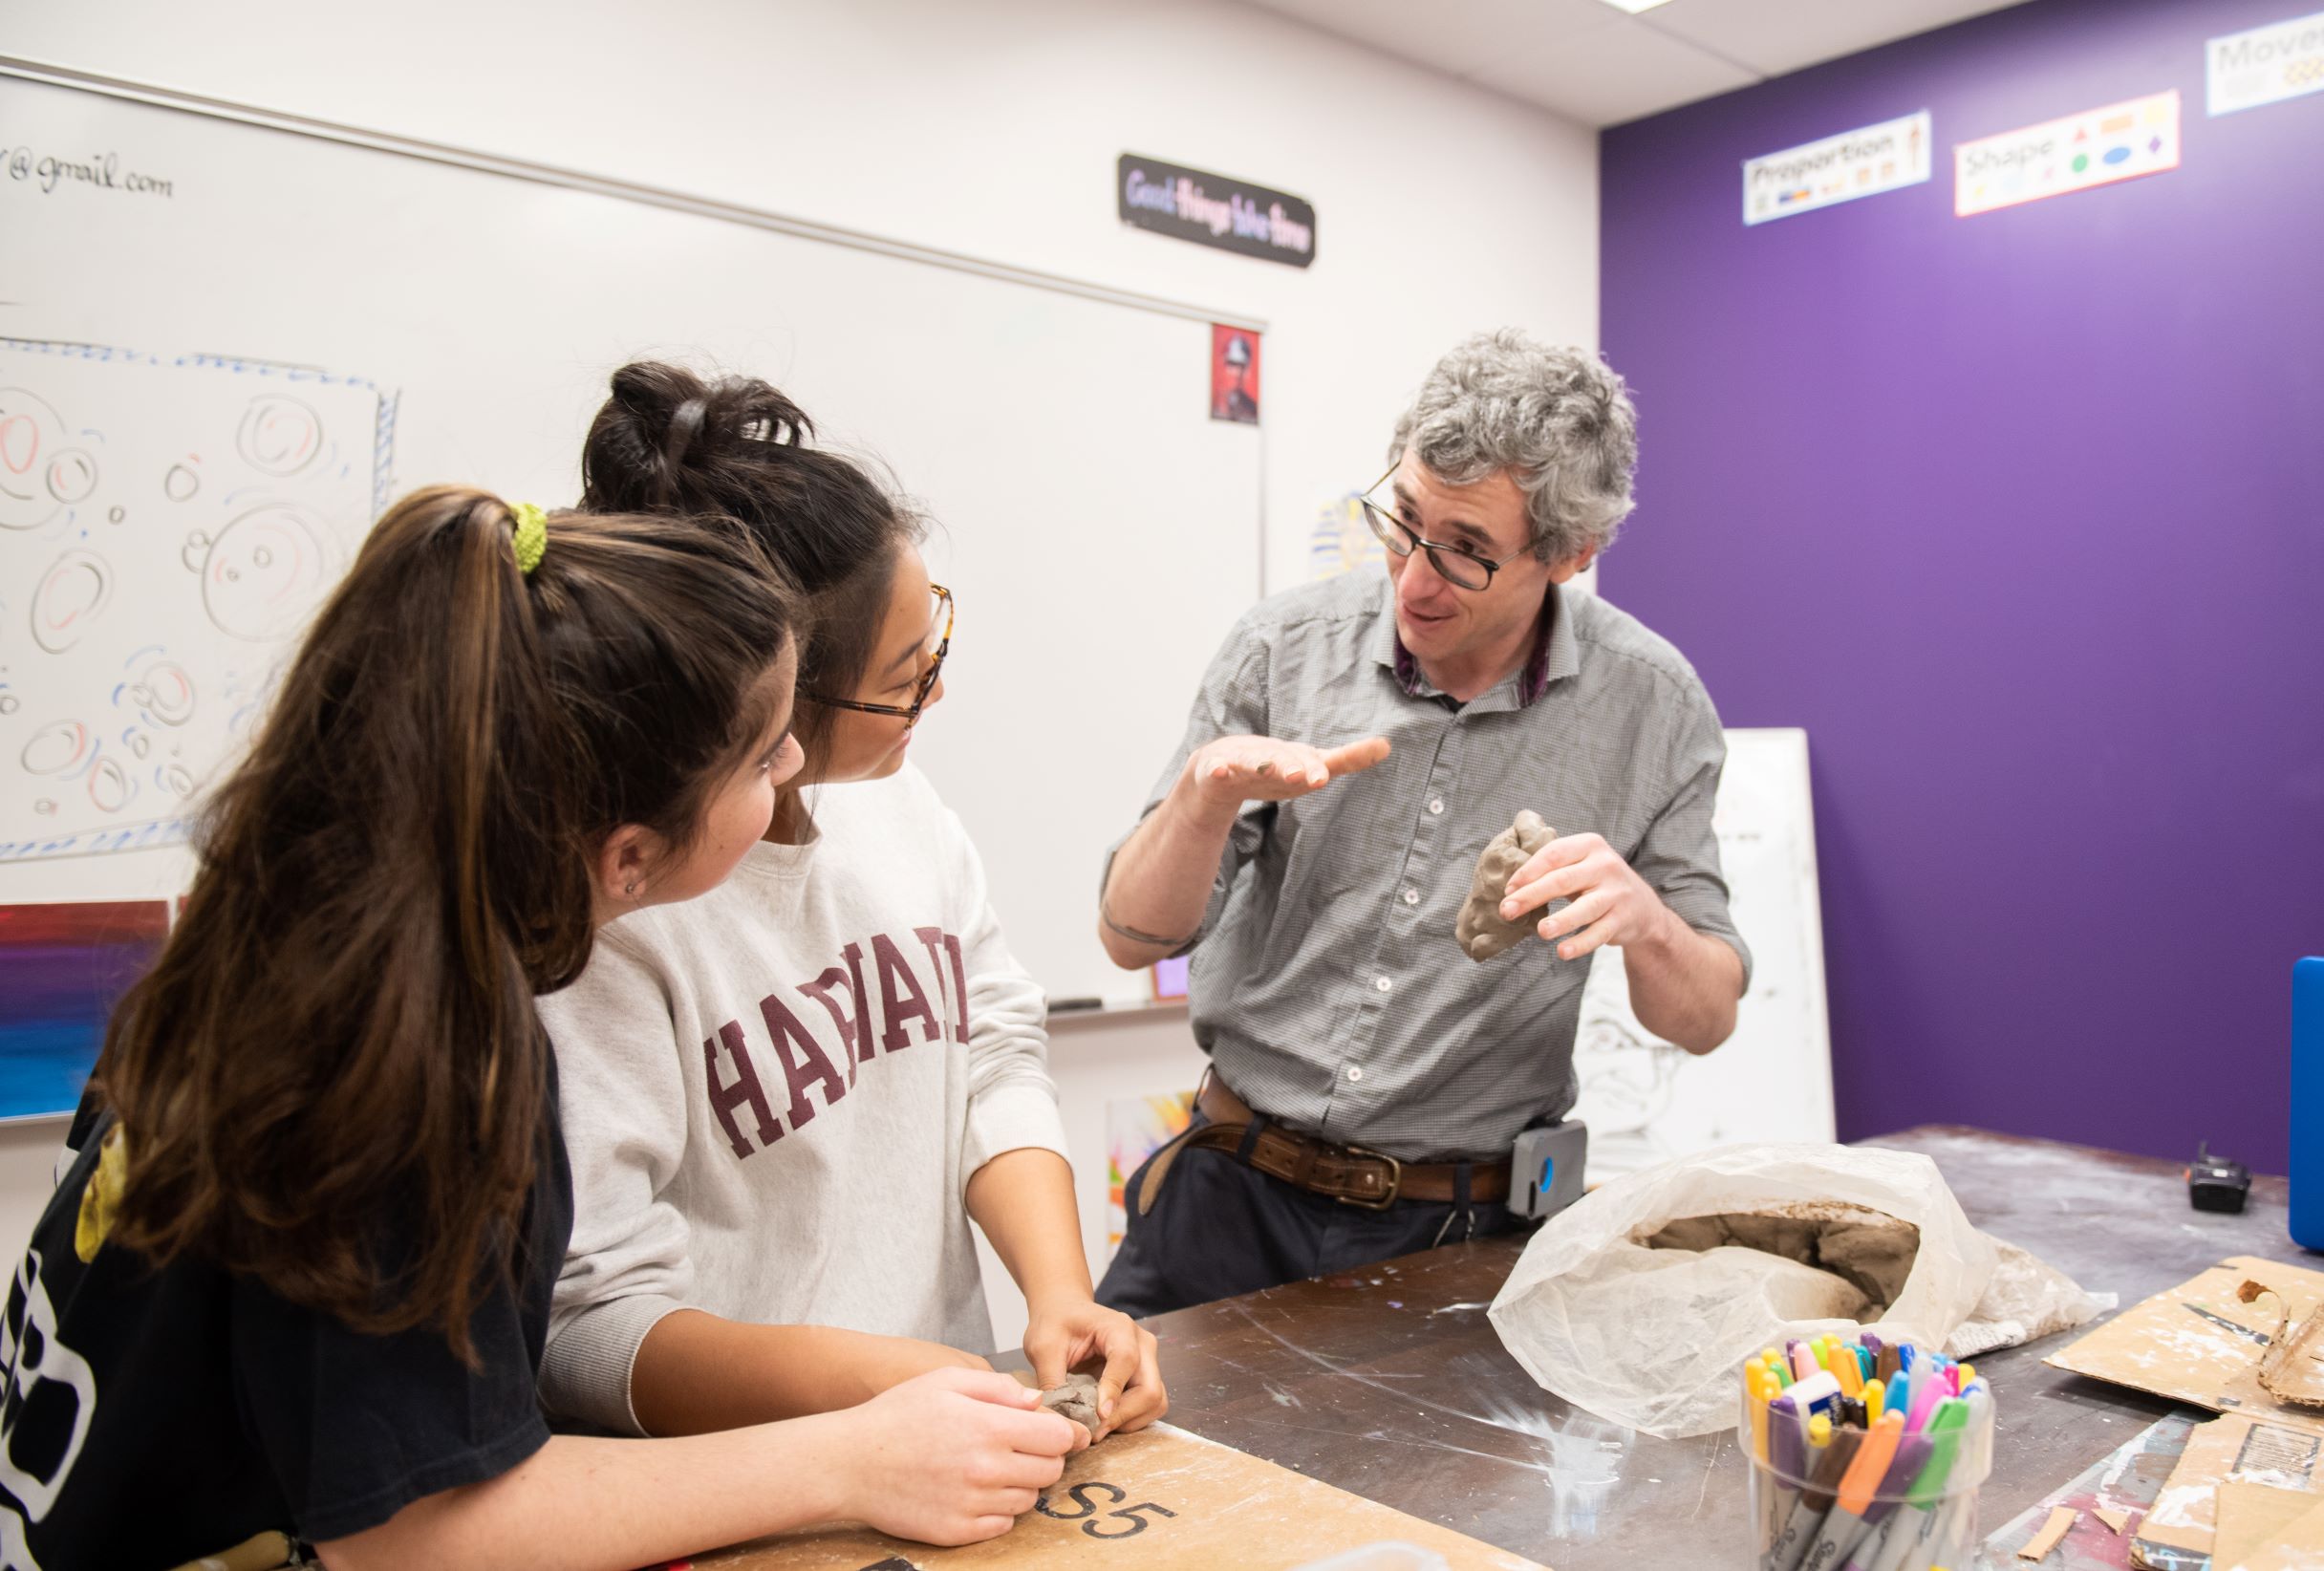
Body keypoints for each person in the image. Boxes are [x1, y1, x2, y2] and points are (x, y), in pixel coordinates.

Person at [0, 487, 1080, 1569]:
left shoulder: (291, 926)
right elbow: (416, 1536)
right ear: (627, 856)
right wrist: (852, 1460)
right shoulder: (419, 1070)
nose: (793, 769)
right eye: (759, 761)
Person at [539, 363, 1165, 1443]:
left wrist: (1056, 1296)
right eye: (904, 671)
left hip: (938, 1426)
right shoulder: (619, 909)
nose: (933, 691)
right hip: (750, 1470)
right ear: (776, 694)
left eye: (935, 646)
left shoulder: (897, 799)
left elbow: (995, 1053)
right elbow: (586, 1331)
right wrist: (871, 1390)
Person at [1095, 330, 1751, 1316]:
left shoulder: (1653, 707)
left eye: (1467, 553)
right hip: (1225, 1195)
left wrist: (1648, 923)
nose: (1411, 579)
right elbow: (1126, 938)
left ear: (1570, 554)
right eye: (1403, 521)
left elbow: (1702, 1021)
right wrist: (1200, 801)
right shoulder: (1281, 649)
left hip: (1462, 1239)